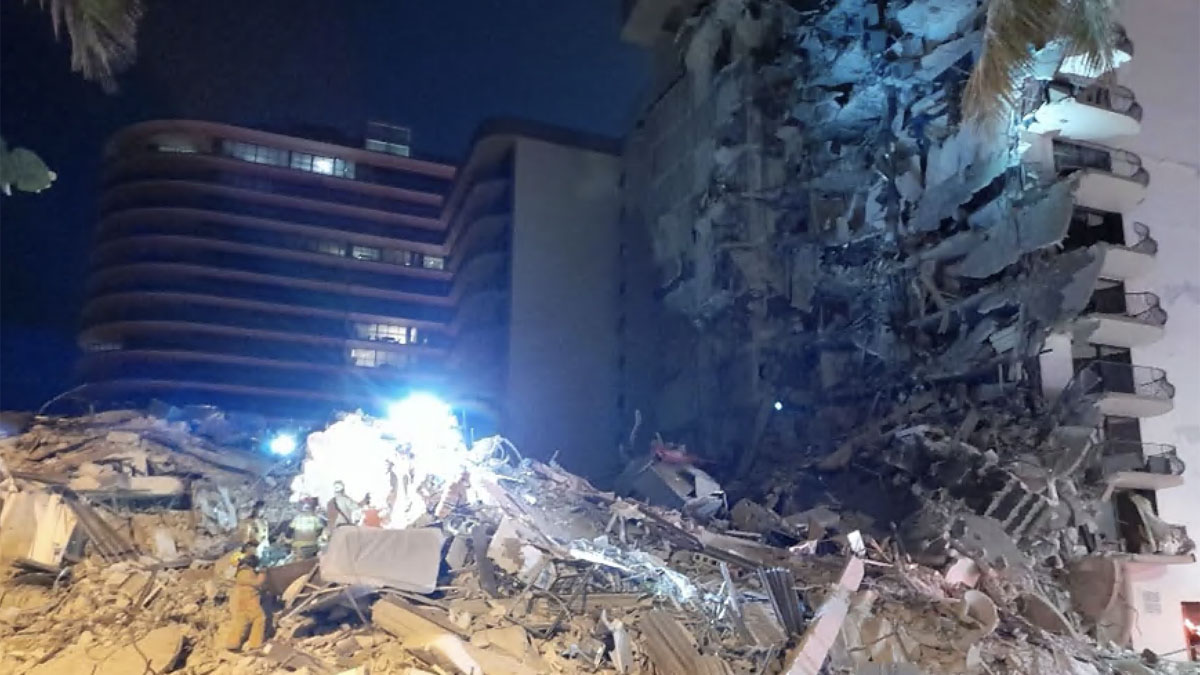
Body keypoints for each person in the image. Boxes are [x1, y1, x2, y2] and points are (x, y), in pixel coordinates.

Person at [222, 554, 267, 652]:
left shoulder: (240, 573)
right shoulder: (247, 573)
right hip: (250, 600)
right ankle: (255, 644)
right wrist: (263, 573)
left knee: (240, 622)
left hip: (241, 602)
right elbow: (257, 583)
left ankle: (232, 643)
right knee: (259, 618)